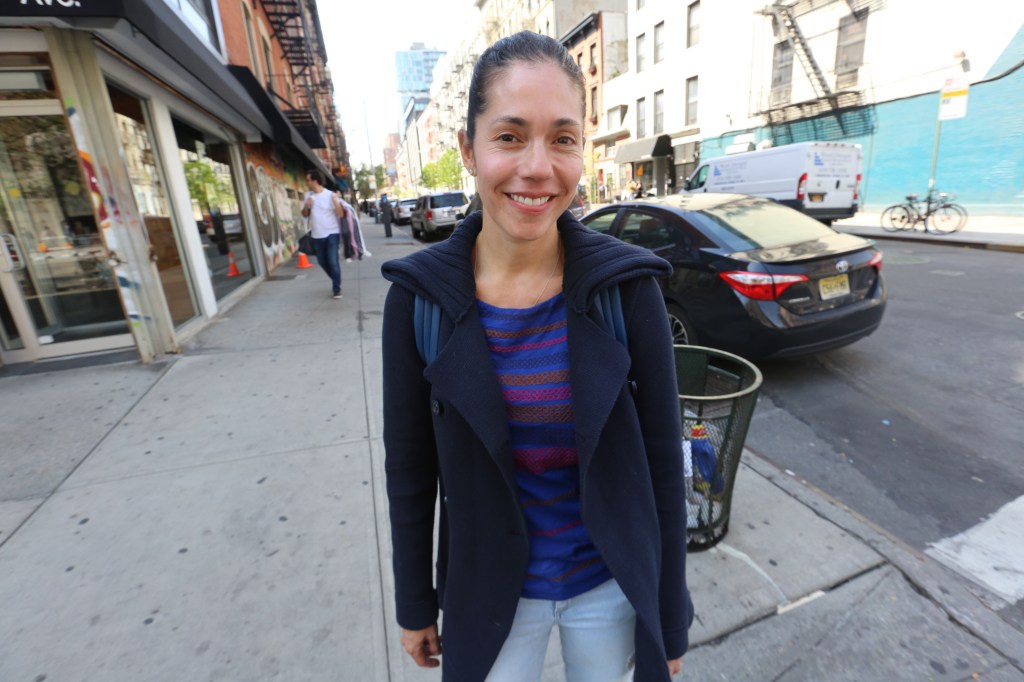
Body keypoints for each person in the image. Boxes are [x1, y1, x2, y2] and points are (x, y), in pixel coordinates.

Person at [380, 31, 692, 682]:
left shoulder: (626, 290)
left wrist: (669, 613)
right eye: (511, 136)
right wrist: (415, 604)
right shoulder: (419, 302)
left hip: (608, 588)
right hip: (492, 592)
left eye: (563, 138)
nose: (538, 168)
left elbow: (664, 464)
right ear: (468, 149)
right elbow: (412, 473)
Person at [302, 169, 345, 299]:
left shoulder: (330, 195)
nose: (307, 183)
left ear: (315, 181)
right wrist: (307, 206)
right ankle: (336, 279)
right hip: (316, 236)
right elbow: (304, 214)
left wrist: (336, 201)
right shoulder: (308, 196)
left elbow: (340, 214)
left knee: (332, 262)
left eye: (308, 180)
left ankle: (336, 289)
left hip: (332, 233)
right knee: (322, 262)